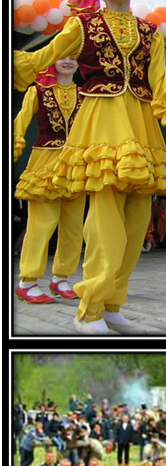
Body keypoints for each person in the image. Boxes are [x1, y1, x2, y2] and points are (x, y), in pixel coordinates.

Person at [13, 0, 166, 335]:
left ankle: (112, 303)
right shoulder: (82, 25)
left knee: (137, 219)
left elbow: (162, 83)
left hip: (141, 124)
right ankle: (89, 309)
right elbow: (43, 56)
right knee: (104, 220)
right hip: (101, 122)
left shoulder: (150, 32)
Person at [14, 56, 85, 305]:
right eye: (61, 56)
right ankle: (27, 281)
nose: (67, 61)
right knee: (42, 224)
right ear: (51, 60)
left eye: (73, 57)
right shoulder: (37, 92)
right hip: (45, 163)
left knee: (74, 227)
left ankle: (61, 278)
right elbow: (19, 122)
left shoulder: (86, 95)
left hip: (76, 164)